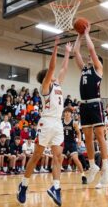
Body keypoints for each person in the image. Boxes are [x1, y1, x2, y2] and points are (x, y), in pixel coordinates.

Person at [17, 38, 71, 206]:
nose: (53, 74)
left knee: (58, 157)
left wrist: (68, 52)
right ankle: (24, 185)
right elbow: (54, 67)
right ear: (46, 77)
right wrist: (55, 48)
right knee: (36, 156)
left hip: (58, 124)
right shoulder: (45, 87)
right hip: (46, 123)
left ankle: (55, 187)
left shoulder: (58, 85)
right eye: (50, 73)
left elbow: (63, 68)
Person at [73, 25, 108, 186]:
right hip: (84, 106)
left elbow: (92, 49)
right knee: (88, 137)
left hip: (95, 104)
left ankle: (105, 165)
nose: (89, 58)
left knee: (100, 136)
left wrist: (87, 34)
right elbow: (76, 52)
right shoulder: (84, 70)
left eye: (92, 58)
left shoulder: (99, 69)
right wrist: (79, 35)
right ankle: (93, 165)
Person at [62, 107, 87, 184]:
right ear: (63, 114)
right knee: (58, 159)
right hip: (64, 143)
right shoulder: (61, 122)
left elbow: (79, 133)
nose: (67, 113)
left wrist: (79, 139)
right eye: (65, 112)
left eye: (68, 112)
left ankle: (83, 175)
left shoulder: (74, 123)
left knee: (75, 159)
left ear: (71, 114)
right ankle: (56, 180)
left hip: (72, 143)